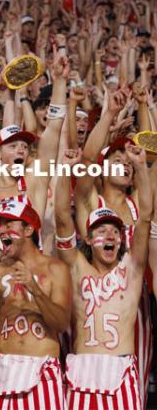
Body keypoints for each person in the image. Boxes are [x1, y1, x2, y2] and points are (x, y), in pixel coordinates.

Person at [55, 146, 152, 409]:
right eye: (101, 231)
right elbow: (62, 217)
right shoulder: (76, 268)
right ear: (87, 238)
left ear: (122, 240)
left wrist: (141, 166)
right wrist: (65, 170)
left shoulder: (132, 269)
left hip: (121, 370)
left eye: (115, 232)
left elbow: (144, 217)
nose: (109, 236)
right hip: (81, 370)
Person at [0, 197, 71, 409]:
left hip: (42, 371)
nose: (1, 230)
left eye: (9, 223)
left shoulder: (56, 269)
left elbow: (61, 324)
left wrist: (35, 290)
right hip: (3, 371)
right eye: (0, 224)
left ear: (28, 230)